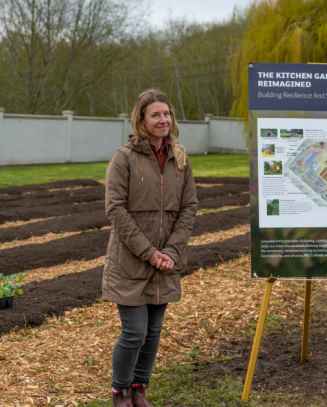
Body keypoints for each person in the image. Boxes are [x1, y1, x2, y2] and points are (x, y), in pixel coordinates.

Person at [103, 89, 198, 406]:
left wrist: (170, 251)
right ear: (141, 120)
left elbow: (189, 209)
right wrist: (149, 252)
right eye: (155, 114)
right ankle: (121, 392)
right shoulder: (124, 158)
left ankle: (139, 389)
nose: (163, 120)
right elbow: (115, 210)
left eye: (167, 114)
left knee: (153, 332)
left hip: (167, 262)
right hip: (131, 261)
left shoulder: (180, 159)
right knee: (134, 333)